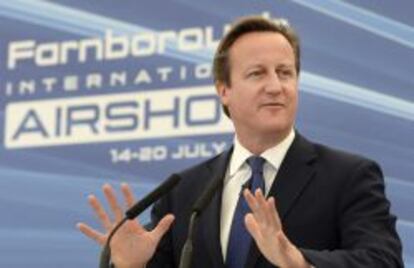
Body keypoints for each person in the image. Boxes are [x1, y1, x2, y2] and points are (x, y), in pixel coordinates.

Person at [77, 15, 403, 268]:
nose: (276, 86)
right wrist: (134, 265)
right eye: (257, 73)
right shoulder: (184, 192)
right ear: (224, 90)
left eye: (285, 72)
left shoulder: (348, 176)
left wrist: (299, 262)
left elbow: (384, 261)